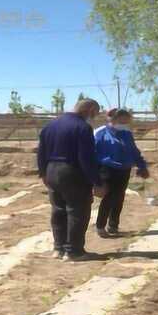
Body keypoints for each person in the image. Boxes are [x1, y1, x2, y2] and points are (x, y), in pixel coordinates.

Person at [37, 98, 106, 261]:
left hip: (52, 170)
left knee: (58, 210)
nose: (94, 117)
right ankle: (74, 251)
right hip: (72, 172)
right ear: (89, 110)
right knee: (77, 211)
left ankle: (59, 248)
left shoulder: (50, 125)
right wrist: (96, 181)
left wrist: (43, 173)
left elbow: (41, 152)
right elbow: (86, 158)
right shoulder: (83, 127)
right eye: (95, 114)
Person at [93, 108, 149, 237]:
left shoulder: (126, 133)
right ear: (113, 119)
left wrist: (142, 166)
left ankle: (113, 225)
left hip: (124, 169)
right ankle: (100, 226)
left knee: (119, 197)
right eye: (122, 121)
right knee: (108, 197)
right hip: (107, 169)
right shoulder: (99, 133)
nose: (124, 123)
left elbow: (134, 151)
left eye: (126, 121)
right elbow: (92, 152)